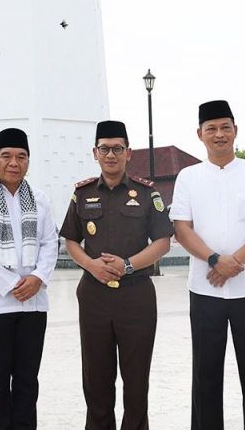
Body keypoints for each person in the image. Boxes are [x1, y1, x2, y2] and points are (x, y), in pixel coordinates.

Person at [170, 100, 245, 430]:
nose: (219, 134)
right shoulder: (188, 177)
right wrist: (214, 260)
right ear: (200, 134)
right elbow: (182, 227)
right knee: (205, 372)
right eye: (211, 128)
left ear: (235, 130)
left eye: (225, 127)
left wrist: (235, 262)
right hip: (204, 288)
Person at [57, 120, 172, 430]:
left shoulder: (147, 194)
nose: (111, 155)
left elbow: (163, 241)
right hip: (94, 296)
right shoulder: (81, 194)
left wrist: (129, 264)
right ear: (95, 152)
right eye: (105, 149)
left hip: (136, 295)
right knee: (96, 379)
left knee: (136, 381)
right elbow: (70, 240)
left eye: (117, 149)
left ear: (128, 153)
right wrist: (91, 265)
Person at [0, 128, 61, 430]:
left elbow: (50, 242)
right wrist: (10, 284)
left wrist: (38, 278)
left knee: (27, 382)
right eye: (6, 156)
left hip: (33, 305)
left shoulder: (40, 199)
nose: (13, 163)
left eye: (21, 157)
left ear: (28, 162)